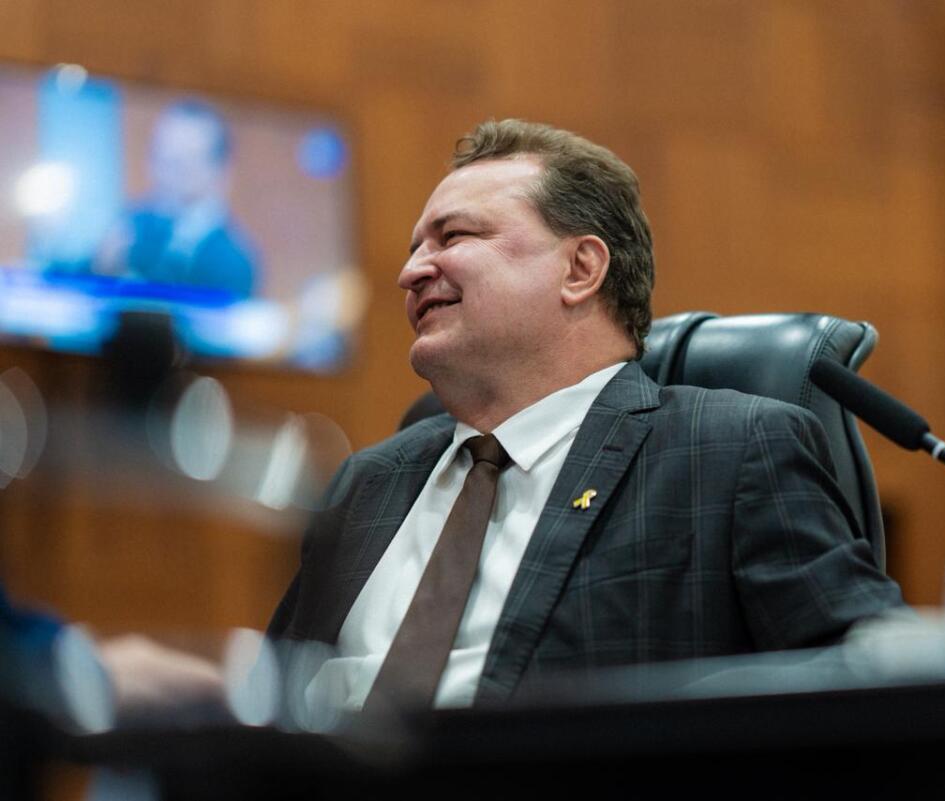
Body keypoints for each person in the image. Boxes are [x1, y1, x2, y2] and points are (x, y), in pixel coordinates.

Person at [267, 119, 904, 713]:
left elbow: (875, 679)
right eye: (414, 249)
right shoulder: (365, 485)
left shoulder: (731, 450)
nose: (410, 273)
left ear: (580, 269)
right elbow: (273, 700)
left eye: (453, 236)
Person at [94, 99, 259, 298]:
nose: (166, 174)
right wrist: (103, 271)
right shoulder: (130, 226)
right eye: (162, 158)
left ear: (218, 169)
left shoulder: (232, 261)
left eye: (182, 163)